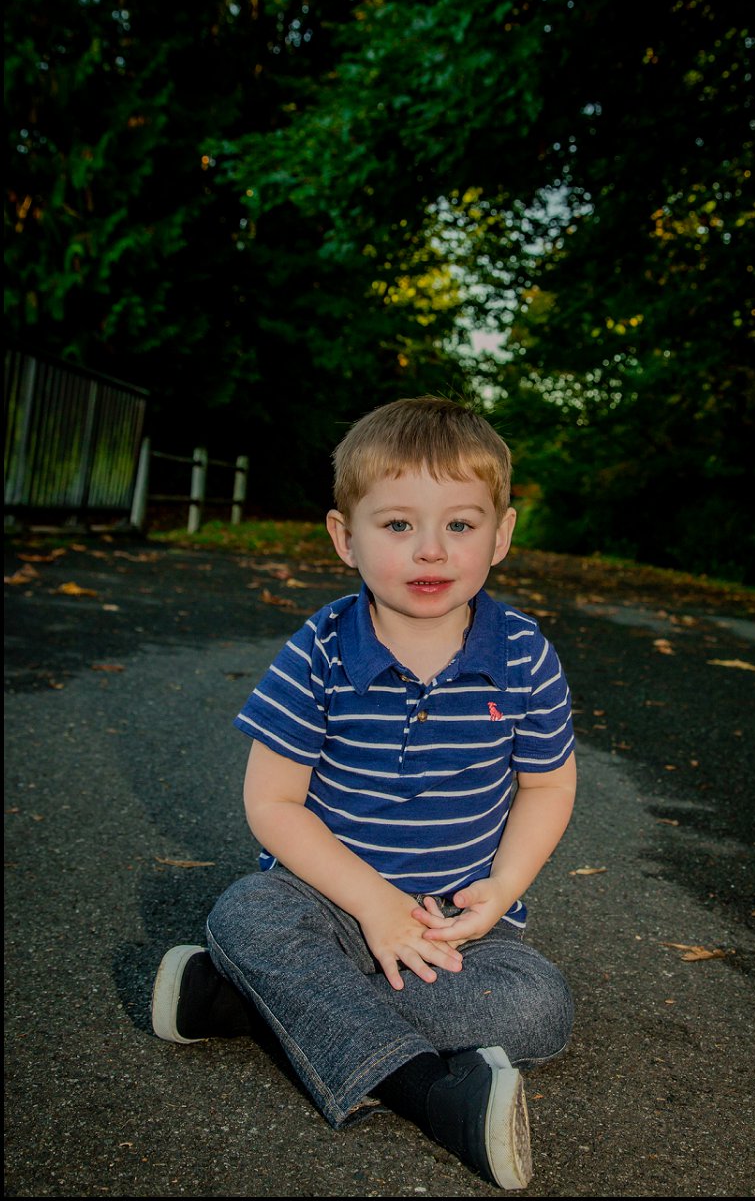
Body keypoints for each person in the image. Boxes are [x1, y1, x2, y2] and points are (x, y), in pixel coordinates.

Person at [150, 396, 578, 1191]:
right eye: (396, 525)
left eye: (459, 524)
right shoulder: (320, 649)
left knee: (539, 1008)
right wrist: (374, 905)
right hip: (325, 903)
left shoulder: (523, 655)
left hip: (454, 932)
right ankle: (429, 1093)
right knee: (246, 912)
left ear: (502, 534)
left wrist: (503, 891)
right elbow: (273, 803)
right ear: (345, 537)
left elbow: (547, 784)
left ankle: (244, 1001)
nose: (431, 549)